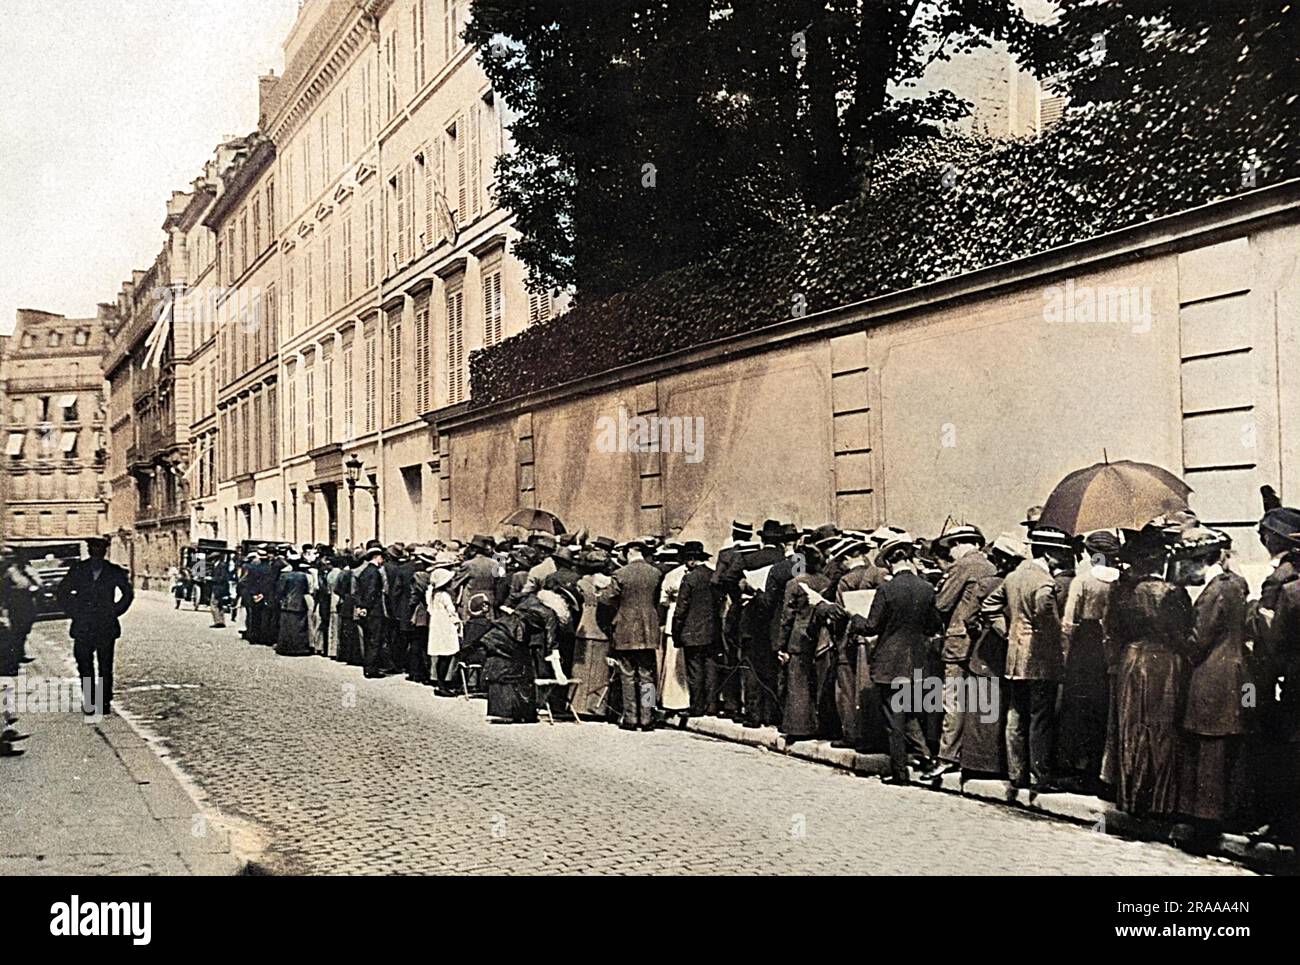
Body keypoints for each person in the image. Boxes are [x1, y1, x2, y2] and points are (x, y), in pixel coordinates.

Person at [1103, 522, 1194, 817]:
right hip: (1163, 664)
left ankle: (1132, 797)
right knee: (1162, 731)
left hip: (1131, 661)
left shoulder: (1121, 592)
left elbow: (1112, 630)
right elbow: (1182, 634)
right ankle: (1159, 802)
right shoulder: (1172, 592)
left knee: (1132, 729)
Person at [1174, 528, 1253, 840]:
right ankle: (1226, 813)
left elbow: (1198, 641)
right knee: (1229, 744)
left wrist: (1176, 636)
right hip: (1237, 672)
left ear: (1199, 560)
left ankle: (1204, 821)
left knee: (1209, 747)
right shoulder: (1236, 583)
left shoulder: (1214, 592)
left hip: (1212, 676)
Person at [985, 526, 1071, 791]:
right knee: (1040, 717)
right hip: (1038, 657)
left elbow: (989, 605)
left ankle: (1016, 772)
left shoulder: (1014, 576)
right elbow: (1048, 621)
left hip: (1015, 656)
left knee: (1016, 714)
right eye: (1059, 552)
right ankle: (1038, 774)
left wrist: (1007, 632)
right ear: (1047, 553)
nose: (1063, 557)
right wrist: (1061, 644)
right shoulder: (1045, 583)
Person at [853, 533, 940, 783]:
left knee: (894, 720)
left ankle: (899, 773)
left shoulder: (886, 589)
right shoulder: (926, 588)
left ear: (890, 561)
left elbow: (871, 626)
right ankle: (925, 757)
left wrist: (853, 617)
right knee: (909, 712)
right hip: (917, 661)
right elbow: (933, 624)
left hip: (890, 663)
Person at [925, 525, 995, 779]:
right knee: (977, 702)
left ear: (963, 544)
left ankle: (946, 756)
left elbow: (941, 603)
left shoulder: (964, 566)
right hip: (981, 644)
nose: (951, 552)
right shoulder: (990, 565)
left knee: (952, 700)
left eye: (952, 546)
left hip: (957, 642)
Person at [1058, 531, 1120, 792]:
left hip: (1085, 643)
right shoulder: (1121, 581)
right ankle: (1099, 768)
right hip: (1111, 643)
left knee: (1078, 708)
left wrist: (1065, 653)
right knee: (1102, 708)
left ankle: (1077, 767)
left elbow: (1069, 622)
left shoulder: (1082, 581)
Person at [55, 537, 134, 715]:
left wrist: (115, 611)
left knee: (105, 665)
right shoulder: (78, 569)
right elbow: (62, 592)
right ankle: (90, 700)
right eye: (93, 548)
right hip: (83, 624)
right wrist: (74, 611)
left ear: (104, 551)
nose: (95, 552)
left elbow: (127, 594)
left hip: (106, 624)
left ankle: (104, 701)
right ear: (90, 550)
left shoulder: (114, 571)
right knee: (84, 664)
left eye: (99, 549)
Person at [599, 540, 664, 731]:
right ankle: (647, 717)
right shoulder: (655, 573)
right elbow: (658, 600)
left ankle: (630, 717)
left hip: (625, 627)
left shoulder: (620, 574)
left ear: (629, 554)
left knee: (627, 675)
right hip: (649, 629)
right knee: (648, 676)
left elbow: (607, 598)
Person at [778, 545, 831, 740]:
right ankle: (822, 725)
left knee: (798, 683)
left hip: (799, 638)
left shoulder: (794, 584)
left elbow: (787, 617)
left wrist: (781, 645)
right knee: (819, 681)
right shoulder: (826, 581)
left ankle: (800, 727)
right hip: (821, 637)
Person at [671, 541, 720, 719]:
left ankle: (697, 706)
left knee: (695, 670)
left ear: (691, 560)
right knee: (711, 667)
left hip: (691, 631)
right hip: (712, 630)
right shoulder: (714, 575)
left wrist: (676, 631)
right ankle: (712, 705)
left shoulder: (689, 578)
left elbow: (681, 608)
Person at [569, 548, 614, 717]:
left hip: (584, 628)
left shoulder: (582, 582)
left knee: (581, 669)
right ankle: (597, 707)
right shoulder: (611, 583)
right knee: (600, 672)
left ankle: (578, 705)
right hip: (603, 631)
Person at [353, 543, 389, 678]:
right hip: (374, 611)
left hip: (366, 610)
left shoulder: (364, 571)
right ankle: (372, 669)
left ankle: (368, 667)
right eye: (382, 557)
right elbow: (371, 592)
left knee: (369, 639)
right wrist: (366, 607)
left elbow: (359, 592)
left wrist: (360, 606)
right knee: (374, 639)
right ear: (376, 556)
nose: (383, 560)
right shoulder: (374, 572)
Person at [426, 568, 461, 694]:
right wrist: (457, 622)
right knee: (447, 654)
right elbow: (451, 611)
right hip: (445, 625)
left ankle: (439, 683)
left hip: (437, 625)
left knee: (440, 655)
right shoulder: (445, 596)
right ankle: (442, 685)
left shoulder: (433, 595)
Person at [275, 554, 313, 656]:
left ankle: (285, 647)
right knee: (299, 627)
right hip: (300, 602)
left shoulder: (284, 576)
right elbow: (306, 590)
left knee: (287, 627)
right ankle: (299, 647)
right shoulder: (303, 576)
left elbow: (280, 590)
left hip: (287, 603)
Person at [208, 553, 230, 628]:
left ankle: (218, 622)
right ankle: (221, 621)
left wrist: (211, 579)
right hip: (218, 587)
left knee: (213, 605)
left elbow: (222, 578)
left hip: (219, 588)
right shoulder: (217, 566)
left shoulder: (222, 566)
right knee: (219, 605)